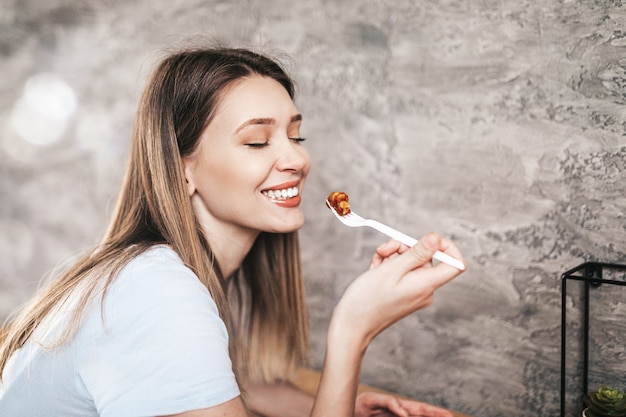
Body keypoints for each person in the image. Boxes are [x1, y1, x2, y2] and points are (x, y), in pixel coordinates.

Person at [0, 45, 465, 417]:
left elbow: (239, 385)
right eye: (257, 141)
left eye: (295, 136)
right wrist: (352, 332)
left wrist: (335, 403)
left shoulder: (160, 273)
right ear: (183, 171)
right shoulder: (157, 295)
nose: (297, 160)